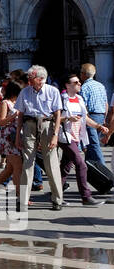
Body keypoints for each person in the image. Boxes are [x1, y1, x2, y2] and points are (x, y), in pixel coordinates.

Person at [14, 65, 64, 212]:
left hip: (47, 125)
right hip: (29, 126)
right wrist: (18, 136)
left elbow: (58, 115)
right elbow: (20, 115)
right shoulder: (25, 91)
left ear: (41, 79)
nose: (29, 80)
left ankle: (57, 199)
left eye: (31, 78)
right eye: (29, 78)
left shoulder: (52, 91)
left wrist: (55, 135)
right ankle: (23, 201)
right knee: (27, 164)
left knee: (51, 163)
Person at [59, 75, 98, 206]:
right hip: (65, 136)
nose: (79, 84)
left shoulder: (80, 99)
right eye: (76, 82)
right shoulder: (62, 99)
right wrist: (68, 118)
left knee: (65, 167)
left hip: (77, 136)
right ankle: (86, 196)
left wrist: (98, 126)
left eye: (79, 82)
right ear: (67, 85)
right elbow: (54, 118)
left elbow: (85, 118)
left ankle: (56, 195)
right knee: (81, 164)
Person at [0, 81, 23, 200]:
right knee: (18, 167)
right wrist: (13, 116)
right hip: (9, 137)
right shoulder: (5, 103)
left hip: (17, 136)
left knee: (10, 169)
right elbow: (1, 122)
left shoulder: (17, 103)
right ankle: (20, 195)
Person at [80, 63, 108, 167]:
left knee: (93, 143)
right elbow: (105, 103)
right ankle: (89, 167)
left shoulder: (84, 87)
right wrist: (104, 117)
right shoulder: (100, 85)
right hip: (100, 115)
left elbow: (83, 105)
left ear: (83, 74)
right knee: (91, 143)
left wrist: (85, 118)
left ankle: (103, 169)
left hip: (91, 116)